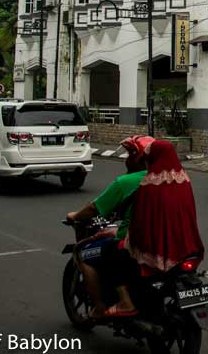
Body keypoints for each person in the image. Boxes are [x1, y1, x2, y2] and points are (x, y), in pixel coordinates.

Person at [66, 135, 152, 319]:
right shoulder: (168, 180)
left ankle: (99, 308)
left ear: (138, 158)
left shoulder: (125, 182)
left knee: (84, 254)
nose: (127, 159)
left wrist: (75, 216)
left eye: (130, 154)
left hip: (133, 243)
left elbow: (94, 208)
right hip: (162, 241)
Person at [123, 138, 204, 277]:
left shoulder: (150, 184)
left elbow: (140, 219)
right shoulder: (184, 179)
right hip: (186, 243)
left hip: (157, 248)